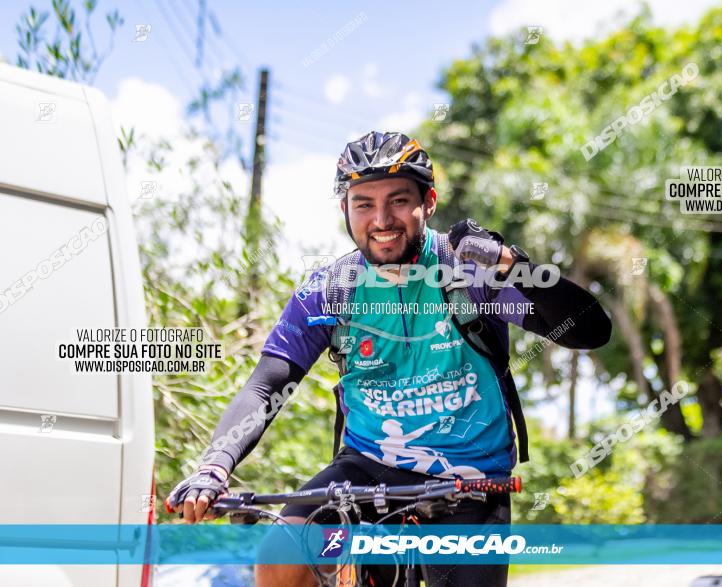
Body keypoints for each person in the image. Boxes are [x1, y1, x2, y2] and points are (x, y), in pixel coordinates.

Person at [166, 131, 612, 586]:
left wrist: (509, 262)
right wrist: (214, 465)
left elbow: (590, 330)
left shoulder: (470, 273)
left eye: (398, 201)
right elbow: (266, 387)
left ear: (430, 201)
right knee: (282, 555)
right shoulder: (330, 292)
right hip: (366, 469)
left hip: (469, 477)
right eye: (363, 204)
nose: (381, 220)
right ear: (345, 210)